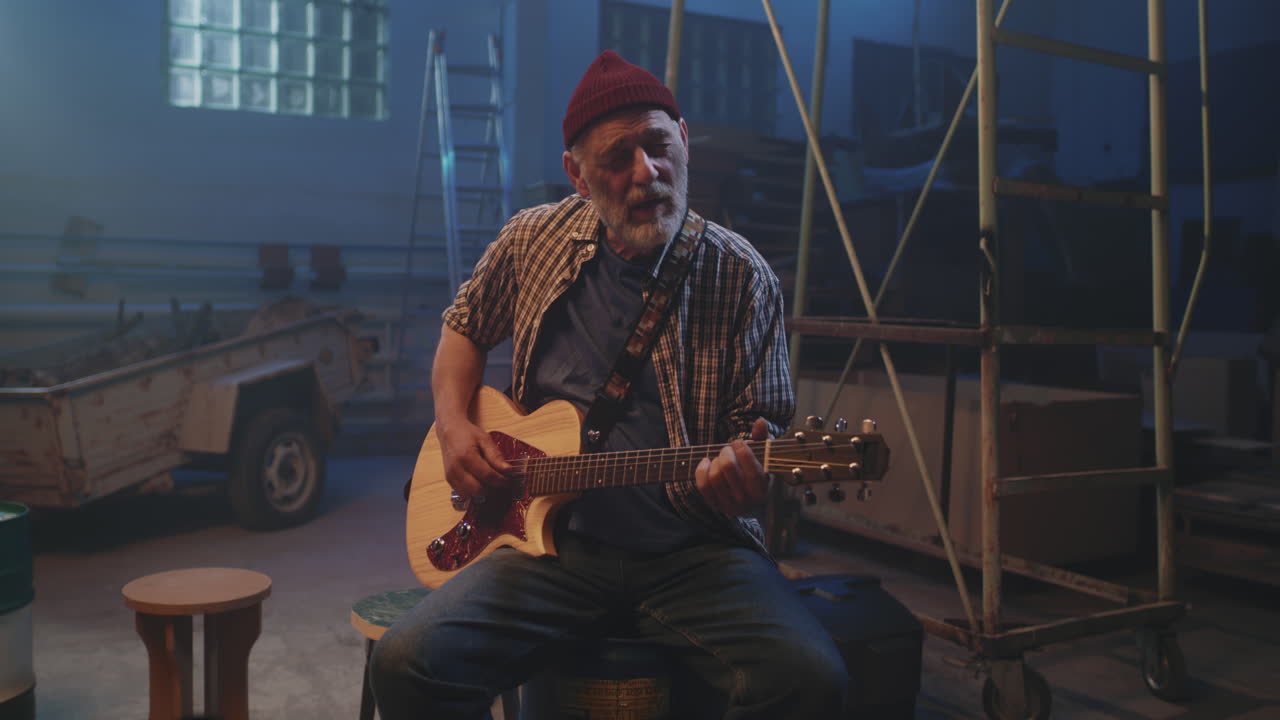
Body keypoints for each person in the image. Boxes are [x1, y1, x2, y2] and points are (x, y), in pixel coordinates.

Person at [370, 50, 848, 719]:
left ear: (684, 140)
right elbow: (463, 329)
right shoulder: (531, 241)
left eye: (657, 146)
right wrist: (453, 426)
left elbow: (757, 437)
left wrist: (749, 481)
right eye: (617, 159)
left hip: (695, 554)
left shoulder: (744, 278)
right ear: (578, 175)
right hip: (550, 550)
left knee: (810, 680)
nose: (645, 172)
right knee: (405, 663)